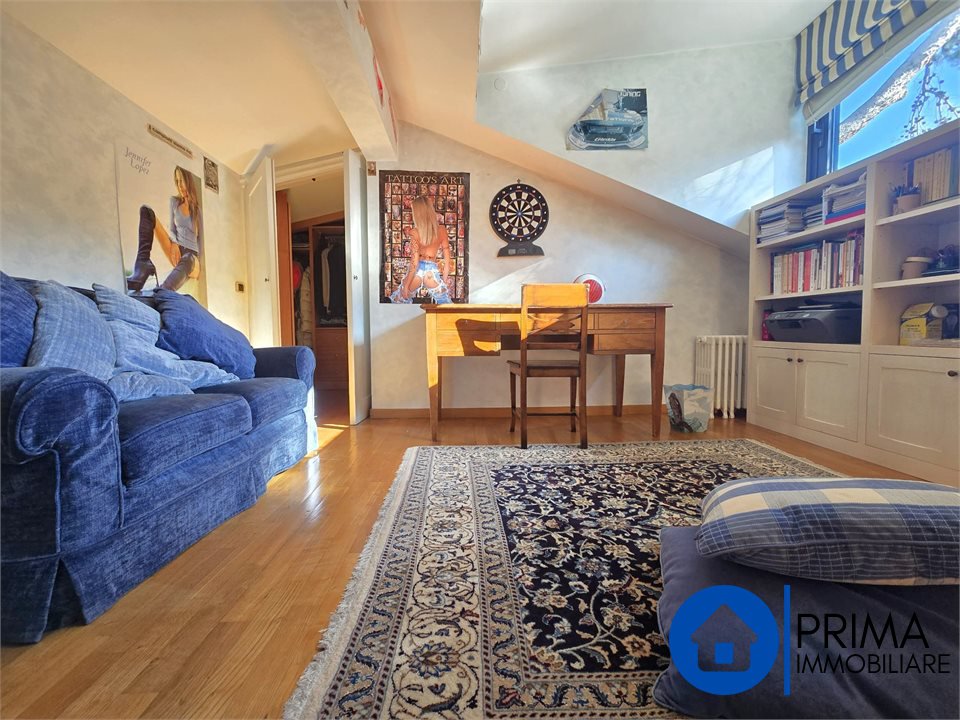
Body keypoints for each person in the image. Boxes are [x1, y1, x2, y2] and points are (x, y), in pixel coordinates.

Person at [126, 166, 203, 292]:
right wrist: (174, 243)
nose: (179, 185)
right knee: (147, 211)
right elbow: (172, 229)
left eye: (182, 180)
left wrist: (200, 266)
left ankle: (163, 291)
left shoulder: (197, 210)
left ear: (188, 181)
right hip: (178, 248)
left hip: (192, 256)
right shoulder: (174, 202)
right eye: (177, 181)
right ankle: (143, 266)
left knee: (188, 258)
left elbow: (201, 240)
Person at [390, 195, 452, 303]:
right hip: (431, 272)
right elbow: (447, 259)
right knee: (445, 303)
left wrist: (406, 285)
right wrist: (445, 280)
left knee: (398, 300)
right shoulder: (442, 230)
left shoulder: (414, 232)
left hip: (417, 271)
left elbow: (414, 262)